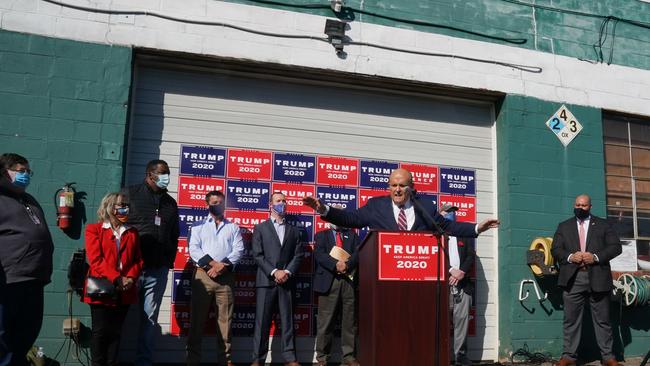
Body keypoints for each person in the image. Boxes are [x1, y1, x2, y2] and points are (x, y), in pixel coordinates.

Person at [303, 168, 499, 236]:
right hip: (383, 277)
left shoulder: (426, 207)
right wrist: (324, 209)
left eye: (402, 185)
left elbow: (447, 226)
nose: (397, 189)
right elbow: (350, 218)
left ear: (411, 187)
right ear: (388, 187)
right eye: (393, 185)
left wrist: (477, 228)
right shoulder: (376, 206)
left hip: (416, 277)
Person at [551, 194, 622, 366]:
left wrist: (596, 257)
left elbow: (616, 247)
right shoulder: (564, 226)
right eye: (577, 204)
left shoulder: (604, 224)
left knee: (603, 320)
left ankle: (608, 357)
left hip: (597, 276)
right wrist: (569, 257)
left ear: (590, 206)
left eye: (583, 205)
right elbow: (556, 249)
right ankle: (569, 357)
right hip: (573, 278)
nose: (580, 207)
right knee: (571, 320)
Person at [122, 159, 180, 366]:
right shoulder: (129, 194)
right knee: (118, 317)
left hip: (157, 270)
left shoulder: (170, 203)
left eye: (168, 173)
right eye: (162, 173)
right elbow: (115, 226)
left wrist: (167, 261)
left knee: (149, 319)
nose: (167, 177)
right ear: (149, 174)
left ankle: (143, 362)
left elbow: (174, 235)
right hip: (130, 270)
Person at [0, 153, 54, 366]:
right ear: (5, 172)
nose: (26, 175)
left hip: (34, 277)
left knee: (29, 329)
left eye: (28, 172)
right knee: (3, 332)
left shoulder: (29, 199)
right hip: (8, 279)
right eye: (21, 171)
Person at [83, 192, 142, 366]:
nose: (125, 207)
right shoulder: (94, 230)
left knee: (116, 333)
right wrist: (118, 278)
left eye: (126, 204)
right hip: (102, 288)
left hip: (125, 289)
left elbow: (138, 259)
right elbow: (95, 260)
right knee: (101, 332)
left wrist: (130, 278)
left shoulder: (132, 232)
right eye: (121, 204)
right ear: (109, 207)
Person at [186, 191, 244, 366]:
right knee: (197, 321)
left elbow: (238, 250)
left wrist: (221, 267)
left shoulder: (233, 227)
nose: (217, 204)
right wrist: (213, 265)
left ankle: (225, 360)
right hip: (202, 277)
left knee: (225, 322)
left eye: (220, 202)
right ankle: (193, 360)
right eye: (214, 202)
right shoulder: (197, 226)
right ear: (207, 205)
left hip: (226, 278)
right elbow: (194, 250)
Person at [251, 192, 303, 366]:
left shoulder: (294, 231)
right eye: (278, 201)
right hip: (266, 282)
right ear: (270, 205)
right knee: (262, 323)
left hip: (286, 282)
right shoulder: (260, 228)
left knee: (287, 322)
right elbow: (257, 255)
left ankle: (290, 358)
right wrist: (274, 272)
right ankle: (257, 359)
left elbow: (298, 255)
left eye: (284, 201)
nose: (282, 203)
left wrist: (286, 272)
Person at [313, 215, 361, 366]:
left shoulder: (353, 236)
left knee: (349, 321)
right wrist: (336, 265)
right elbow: (319, 255)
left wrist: (347, 265)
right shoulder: (321, 236)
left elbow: (358, 254)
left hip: (348, 282)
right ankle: (322, 357)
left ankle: (348, 356)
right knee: (325, 322)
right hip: (328, 282)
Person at [440, 204, 475, 366]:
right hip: (442, 286)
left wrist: (461, 272)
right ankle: (441, 356)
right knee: (440, 322)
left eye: (453, 212)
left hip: (463, 285)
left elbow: (470, 256)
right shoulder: (436, 234)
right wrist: (450, 270)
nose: (451, 214)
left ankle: (460, 356)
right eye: (448, 212)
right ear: (440, 213)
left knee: (462, 322)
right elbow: (433, 256)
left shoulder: (464, 233)